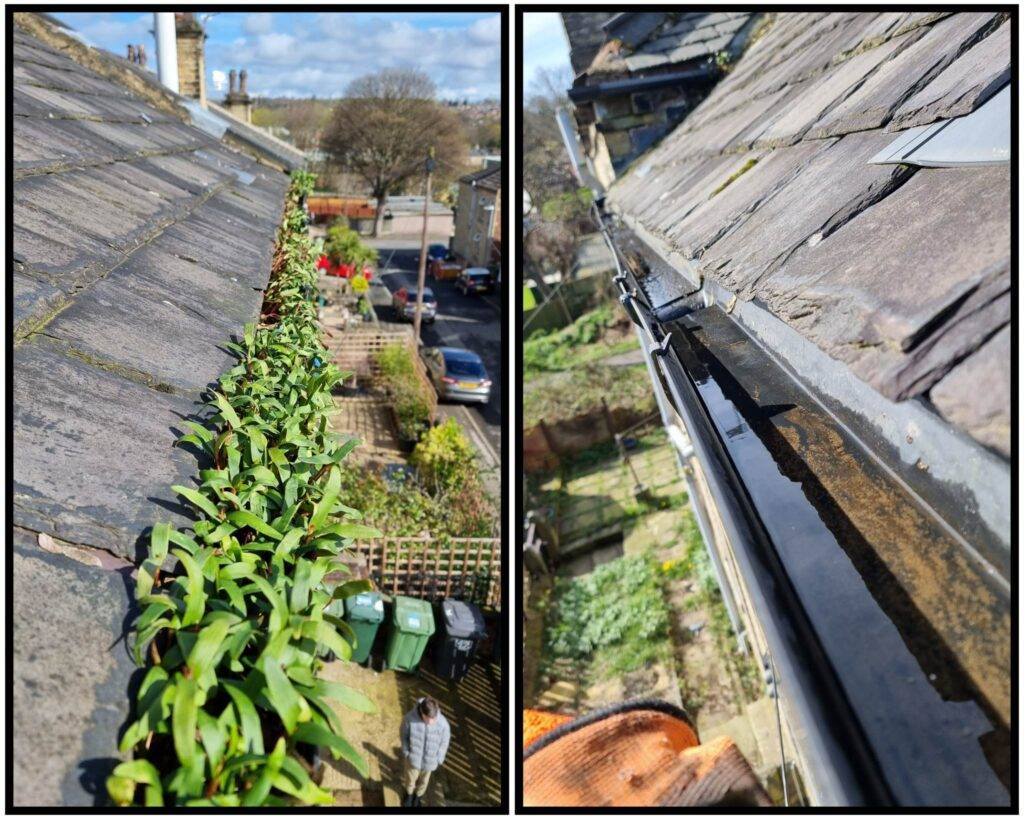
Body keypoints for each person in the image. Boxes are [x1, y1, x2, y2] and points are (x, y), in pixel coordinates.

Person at [399, 696, 451, 807]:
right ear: (422, 712)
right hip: (413, 759)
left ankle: (417, 798)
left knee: (424, 782)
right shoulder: (409, 719)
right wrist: (406, 752)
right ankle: (409, 796)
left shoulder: (443, 723)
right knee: (410, 780)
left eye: (434, 718)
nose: (432, 722)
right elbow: (404, 736)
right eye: (428, 718)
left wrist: (439, 758)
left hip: (430, 762)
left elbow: (444, 742)